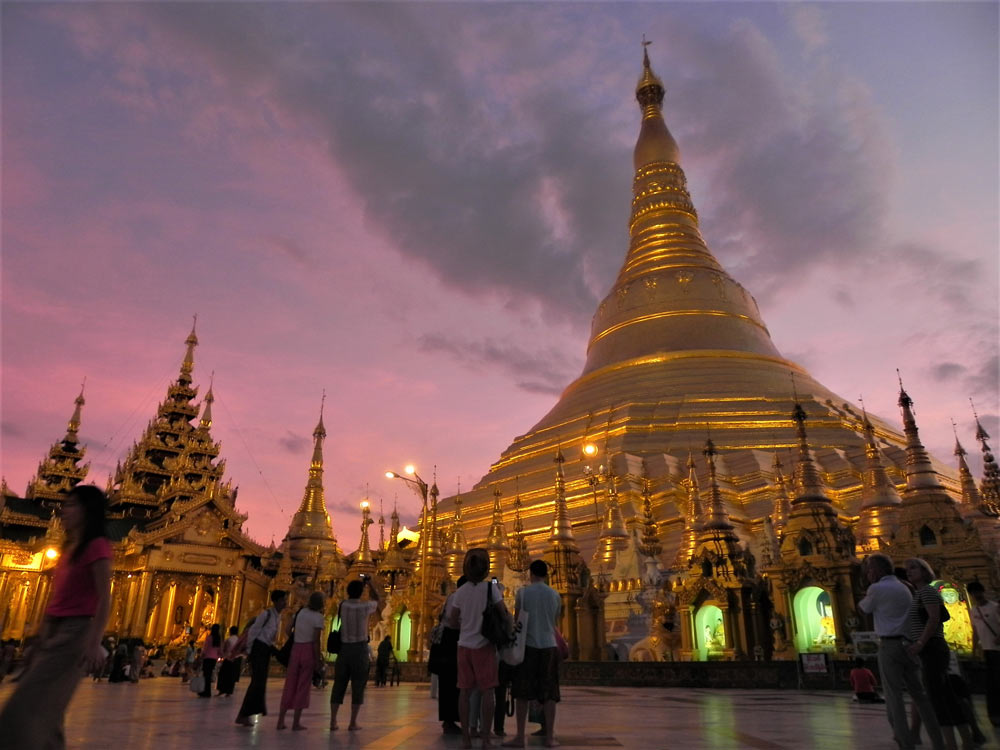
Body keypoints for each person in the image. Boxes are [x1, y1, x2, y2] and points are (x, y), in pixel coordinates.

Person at [0, 484, 112, 750]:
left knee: (23, 705)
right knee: (49, 710)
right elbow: (57, 600)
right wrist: (38, 639)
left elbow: (104, 598)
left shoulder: (97, 546)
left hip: (76, 634)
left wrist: (95, 641)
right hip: (54, 632)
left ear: (87, 511)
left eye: (72, 505)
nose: (64, 510)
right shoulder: (70, 547)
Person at [858, 553, 944, 750]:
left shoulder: (877, 588)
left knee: (894, 697)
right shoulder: (905, 586)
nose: (868, 573)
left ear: (878, 570)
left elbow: (864, 609)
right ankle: (938, 741)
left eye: (870, 569)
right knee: (920, 696)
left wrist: (868, 590)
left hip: (890, 646)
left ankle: (905, 743)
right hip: (910, 645)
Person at [904, 558, 973, 750]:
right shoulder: (919, 593)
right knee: (946, 696)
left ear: (925, 571)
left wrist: (919, 642)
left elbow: (934, 619)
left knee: (937, 698)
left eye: (913, 568)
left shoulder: (927, 591)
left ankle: (951, 743)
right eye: (906, 569)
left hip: (932, 647)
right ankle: (965, 739)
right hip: (930, 648)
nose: (909, 571)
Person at [447, 548, 512, 750]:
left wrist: (465, 627)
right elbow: (503, 613)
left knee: (464, 692)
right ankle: (485, 739)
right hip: (484, 646)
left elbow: (452, 620)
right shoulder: (489, 589)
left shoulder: (460, 592)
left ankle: (466, 739)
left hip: (464, 647)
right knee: (487, 693)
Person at [503, 559, 562, 749]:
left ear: (530, 574)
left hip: (528, 645)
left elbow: (518, 619)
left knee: (522, 693)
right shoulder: (555, 595)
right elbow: (555, 620)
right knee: (550, 694)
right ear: (545, 575)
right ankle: (550, 737)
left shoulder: (523, 593)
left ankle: (520, 737)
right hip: (549, 645)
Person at [330, 576, 383, 731]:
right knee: (358, 686)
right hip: (359, 649)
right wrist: (369, 583)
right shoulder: (364, 607)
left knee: (339, 685)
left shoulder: (343, 605)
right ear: (361, 593)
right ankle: (352, 722)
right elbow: (377, 598)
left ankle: (333, 720)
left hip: (344, 649)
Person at [235, 589, 287, 726]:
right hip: (258, 649)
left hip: (265, 649)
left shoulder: (278, 617)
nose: (285, 603)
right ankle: (243, 715)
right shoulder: (266, 614)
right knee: (257, 683)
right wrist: (250, 650)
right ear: (275, 601)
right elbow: (253, 631)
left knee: (259, 683)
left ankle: (247, 713)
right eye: (282, 600)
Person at [276, 591, 324, 730]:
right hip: (308, 650)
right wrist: (317, 659)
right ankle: (296, 722)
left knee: (290, 684)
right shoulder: (318, 617)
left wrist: (296, 638)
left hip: (296, 649)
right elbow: (316, 641)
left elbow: (286, 629)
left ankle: (281, 720)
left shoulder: (301, 612)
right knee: (303, 686)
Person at [434, 576, 465, 735]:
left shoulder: (452, 596)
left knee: (449, 682)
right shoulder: (459, 596)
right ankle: (450, 720)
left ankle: (450, 720)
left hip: (447, 640)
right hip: (452, 639)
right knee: (451, 682)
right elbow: (454, 621)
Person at [967, 580, 1000, 728]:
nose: (976, 595)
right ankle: (994, 715)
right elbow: (975, 632)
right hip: (986, 651)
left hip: (997, 650)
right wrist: (974, 650)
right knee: (991, 684)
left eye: (977, 592)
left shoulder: (995, 608)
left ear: (983, 591)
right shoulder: (973, 611)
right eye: (973, 593)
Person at [199, 625, 222, 697]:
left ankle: (205, 692)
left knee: (206, 675)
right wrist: (219, 656)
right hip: (214, 659)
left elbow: (205, 648)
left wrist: (201, 655)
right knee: (209, 675)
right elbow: (220, 650)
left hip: (207, 658)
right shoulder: (218, 639)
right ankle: (207, 692)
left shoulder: (209, 638)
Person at [217, 625, 240, 696]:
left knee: (223, 675)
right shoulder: (239, 639)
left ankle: (222, 689)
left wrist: (221, 655)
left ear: (230, 632)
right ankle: (229, 691)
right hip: (236, 659)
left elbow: (223, 649)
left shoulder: (228, 639)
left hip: (228, 659)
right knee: (231, 676)